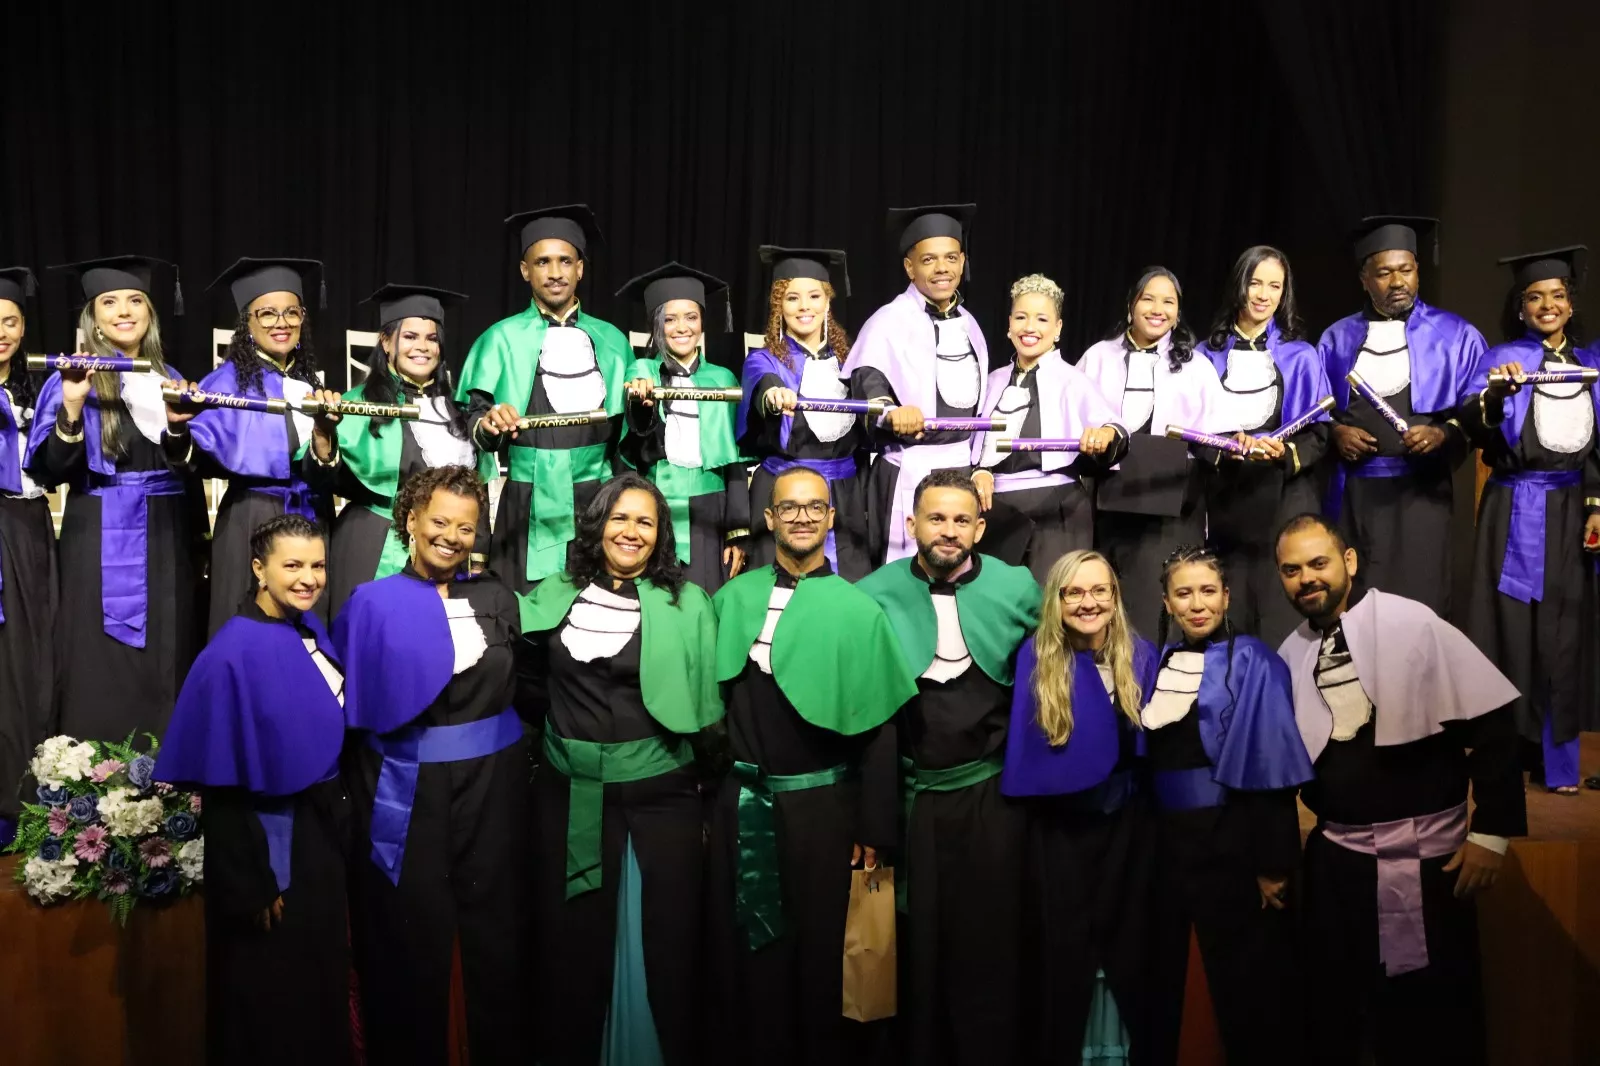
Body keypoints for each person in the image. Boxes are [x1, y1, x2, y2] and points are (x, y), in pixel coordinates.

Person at [1275, 513, 1526, 1066]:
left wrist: (1492, 833)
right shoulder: (1290, 652)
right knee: (1337, 1015)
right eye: (1291, 570)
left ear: (1349, 561)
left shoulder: (1412, 623)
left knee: (1433, 1022)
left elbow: (1492, 726)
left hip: (1431, 864)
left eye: (1318, 563)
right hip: (1337, 863)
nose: (1306, 578)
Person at [705, 466, 914, 1066]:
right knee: (748, 953)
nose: (802, 517)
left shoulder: (858, 609)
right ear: (769, 519)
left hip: (826, 812)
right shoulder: (731, 598)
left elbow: (879, 725)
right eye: (789, 507)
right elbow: (708, 705)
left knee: (822, 954)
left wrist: (873, 826)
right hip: (743, 805)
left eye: (814, 507)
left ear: (831, 518)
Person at [518, 471, 724, 1065]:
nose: (631, 532)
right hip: (568, 797)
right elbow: (527, 680)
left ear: (661, 535)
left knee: (663, 943)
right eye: (620, 518)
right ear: (597, 524)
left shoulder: (688, 602)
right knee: (573, 948)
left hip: (662, 803)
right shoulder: (555, 591)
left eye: (645, 522)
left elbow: (707, 708)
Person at [335, 465, 530, 1063]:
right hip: (405, 790)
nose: (451, 537)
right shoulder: (369, 602)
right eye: (440, 522)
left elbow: (523, 687)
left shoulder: (497, 597)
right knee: (411, 931)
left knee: (492, 928)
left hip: (493, 789)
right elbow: (350, 712)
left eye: (465, 528)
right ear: (412, 521)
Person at [856, 469, 1039, 1066]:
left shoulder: (1017, 587)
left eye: (962, 520)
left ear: (980, 528)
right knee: (917, 950)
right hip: (912, 802)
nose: (949, 531)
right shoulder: (873, 593)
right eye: (936, 518)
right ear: (912, 524)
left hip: (992, 800)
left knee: (989, 944)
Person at [155, 514, 350, 1066]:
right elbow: (221, 786)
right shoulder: (230, 653)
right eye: (293, 566)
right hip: (268, 851)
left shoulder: (310, 630)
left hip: (319, 837)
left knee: (318, 989)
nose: (309, 578)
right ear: (259, 569)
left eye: (318, 566)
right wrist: (253, 883)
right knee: (270, 999)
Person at [1142, 544, 1313, 1065]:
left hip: (1233, 840)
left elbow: (1271, 768)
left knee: (1250, 986)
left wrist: (1272, 865)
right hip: (1170, 845)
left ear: (1227, 596)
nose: (1197, 604)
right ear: (1167, 602)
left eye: (1208, 591)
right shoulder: (1157, 662)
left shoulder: (1255, 660)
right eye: (1184, 593)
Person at [24, 255, 205, 745]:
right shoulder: (72, 377)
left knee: (168, 650)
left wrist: (177, 428)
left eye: (135, 300)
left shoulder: (171, 377)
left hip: (167, 533)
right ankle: (97, 779)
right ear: (93, 316)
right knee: (100, 657)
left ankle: (167, 778)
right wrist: (72, 405)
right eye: (109, 302)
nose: (124, 311)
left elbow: (190, 469)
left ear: (150, 312)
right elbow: (49, 469)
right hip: (98, 530)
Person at [1001, 549, 1160, 1063]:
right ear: (1057, 599)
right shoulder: (1036, 658)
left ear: (1115, 597)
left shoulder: (1140, 655)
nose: (1087, 602)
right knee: (1061, 957)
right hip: (1062, 834)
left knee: (1134, 952)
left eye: (1099, 591)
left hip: (1127, 832)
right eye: (1074, 592)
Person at [1459, 245, 1599, 795]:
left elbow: (1596, 453)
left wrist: (1595, 507)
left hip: (1570, 511)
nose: (1548, 306)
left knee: (1562, 636)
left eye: (1557, 296)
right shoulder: (1502, 359)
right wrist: (1498, 394)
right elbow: (1475, 424)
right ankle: (1503, 757)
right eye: (1535, 297)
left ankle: (1556, 762)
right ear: (1520, 307)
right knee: (1507, 629)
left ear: (1570, 304)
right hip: (1513, 508)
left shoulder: (1590, 365)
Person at [1317, 216, 1485, 617]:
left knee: (1419, 607)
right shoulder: (1336, 338)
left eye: (1406, 270)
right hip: (1355, 497)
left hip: (1421, 497)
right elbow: (1314, 412)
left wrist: (1444, 433)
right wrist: (1337, 432)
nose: (1397, 282)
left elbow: (1478, 412)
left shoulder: (1456, 335)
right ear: (1364, 279)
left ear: (1418, 271)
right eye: (1384, 273)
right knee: (1357, 607)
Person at [458, 204, 631, 592]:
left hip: (599, 501)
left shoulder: (613, 341)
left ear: (580, 268)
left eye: (565, 261)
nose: (555, 273)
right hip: (526, 502)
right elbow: (476, 424)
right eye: (542, 262)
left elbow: (626, 442)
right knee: (525, 614)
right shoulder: (499, 339)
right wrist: (489, 425)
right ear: (525, 270)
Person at [311, 283, 497, 616]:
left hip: (449, 553)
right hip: (374, 547)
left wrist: (478, 558)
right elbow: (323, 479)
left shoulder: (459, 412)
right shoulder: (357, 405)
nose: (422, 347)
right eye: (410, 337)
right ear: (386, 342)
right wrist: (324, 433)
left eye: (431, 338)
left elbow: (476, 495)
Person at [190, 257, 342, 635]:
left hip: (311, 516)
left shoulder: (310, 384)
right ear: (247, 322)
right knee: (248, 628)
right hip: (252, 517)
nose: (282, 322)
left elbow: (322, 468)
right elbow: (197, 455)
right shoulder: (225, 384)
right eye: (268, 313)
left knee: (308, 634)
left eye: (292, 312)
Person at [1079, 268, 1233, 638]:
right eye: (1148, 298)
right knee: (1112, 600)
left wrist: (1232, 443)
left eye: (1169, 302)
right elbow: (1078, 419)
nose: (1157, 309)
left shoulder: (1196, 365)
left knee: (1162, 603)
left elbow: (1218, 431)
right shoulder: (1099, 356)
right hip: (1111, 503)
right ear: (1131, 304)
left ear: (1178, 313)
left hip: (1173, 503)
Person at [1197, 246, 1334, 644]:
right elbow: (1195, 430)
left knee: (1281, 618)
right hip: (1228, 501)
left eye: (1275, 286)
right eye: (1255, 283)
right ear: (1239, 285)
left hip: (1285, 498)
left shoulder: (1301, 355)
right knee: (1231, 617)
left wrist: (1284, 453)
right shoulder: (1206, 355)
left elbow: (1319, 435)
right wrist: (1224, 446)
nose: (1263, 294)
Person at [842, 203, 992, 565]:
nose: (942, 268)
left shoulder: (971, 324)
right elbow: (867, 384)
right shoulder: (887, 321)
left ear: (962, 262)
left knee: (955, 569)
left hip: (962, 467)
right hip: (909, 467)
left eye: (951, 258)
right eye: (929, 260)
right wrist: (891, 412)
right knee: (905, 573)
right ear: (910, 267)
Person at [973, 273, 1125, 584]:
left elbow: (1113, 428)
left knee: (1053, 599)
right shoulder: (991, 380)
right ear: (1009, 324)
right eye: (1021, 317)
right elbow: (973, 445)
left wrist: (1103, 434)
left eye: (1042, 319)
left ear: (1058, 329)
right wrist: (980, 471)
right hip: (995, 510)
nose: (1029, 327)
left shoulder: (1073, 380)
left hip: (1056, 509)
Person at [737, 245, 873, 580]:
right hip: (783, 491)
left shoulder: (851, 359)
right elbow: (763, 382)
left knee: (847, 589)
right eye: (792, 298)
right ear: (778, 306)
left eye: (814, 296)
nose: (804, 307)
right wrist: (774, 394)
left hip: (843, 495)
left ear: (827, 301)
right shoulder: (764, 359)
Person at [618, 262, 751, 594]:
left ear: (702, 321)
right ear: (656, 325)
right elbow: (639, 425)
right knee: (656, 598)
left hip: (711, 506)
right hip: (655, 501)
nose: (682, 327)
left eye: (691, 317)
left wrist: (737, 531)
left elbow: (734, 462)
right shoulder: (643, 369)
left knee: (708, 597)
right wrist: (642, 398)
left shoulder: (722, 379)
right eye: (670, 319)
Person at [0, 266, 54, 845]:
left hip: (28, 525)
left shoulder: (38, 390)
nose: (2, 332)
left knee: (29, 656)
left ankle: (22, 798)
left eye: (11, 321)